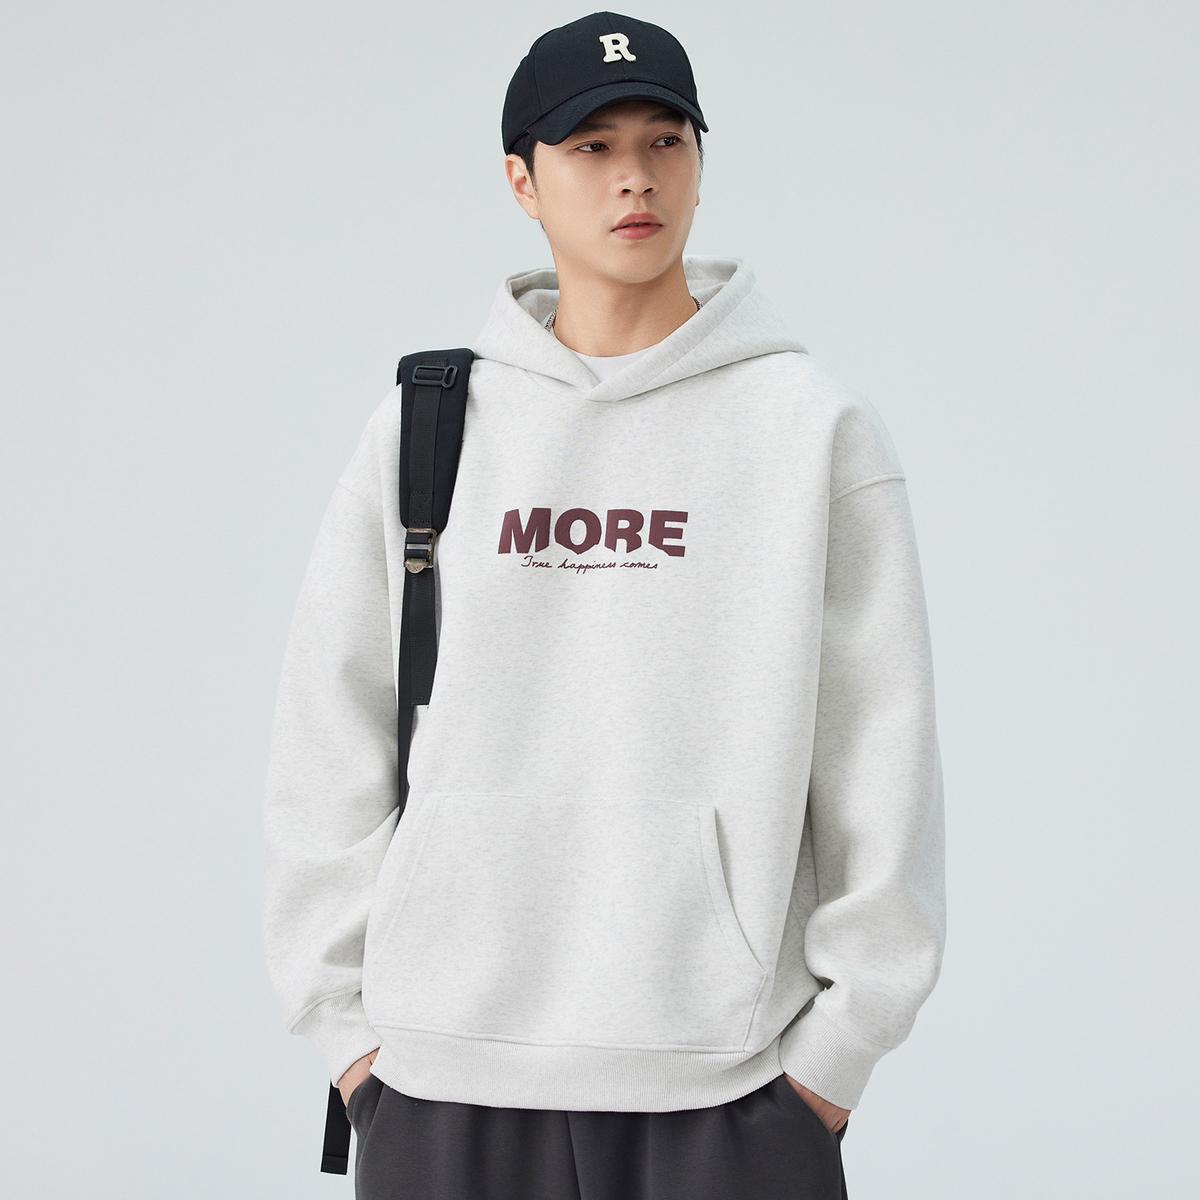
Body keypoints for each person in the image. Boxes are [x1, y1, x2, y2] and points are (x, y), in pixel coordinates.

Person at [261, 12, 946, 1199]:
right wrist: (346, 1033)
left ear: (699, 163)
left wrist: (838, 1056)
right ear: (522, 181)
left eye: (665, 140)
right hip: (441, 1078)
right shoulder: (428, 428)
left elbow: (881, 753)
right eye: (591, 146)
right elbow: (330, 729)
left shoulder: (808, 431)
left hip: (728, 1089)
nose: (636, 176)